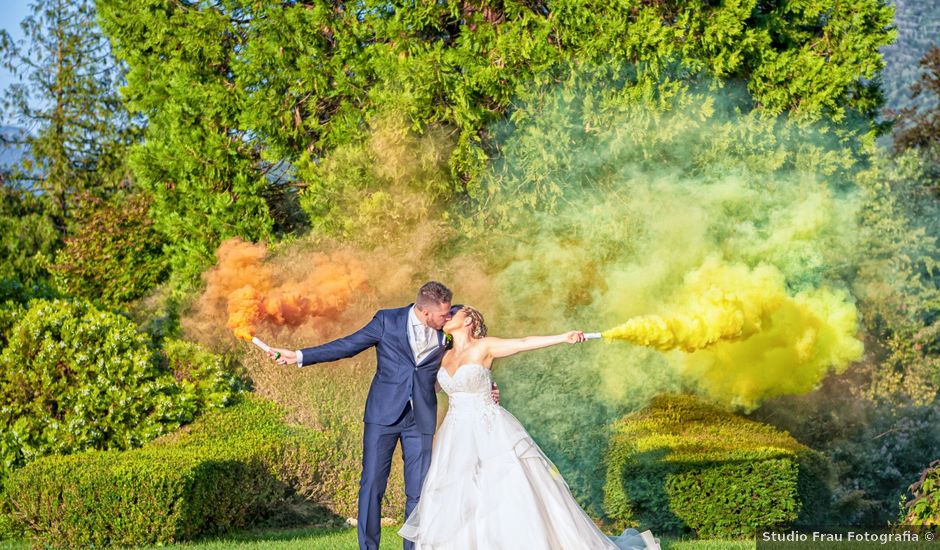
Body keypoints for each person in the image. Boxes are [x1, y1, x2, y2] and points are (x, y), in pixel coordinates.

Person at [398, 305, 660, 550]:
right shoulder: (443, 356)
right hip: (455, 435)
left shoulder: (484, 347)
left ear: (468, 320)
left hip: (489, 430)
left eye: (455, 311)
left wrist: (562, 337)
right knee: (455, 492)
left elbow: (523, 343)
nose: (448, 314)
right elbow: (428, 388)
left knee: (503, 488)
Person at [267, 282, 496, 550]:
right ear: (424, 312)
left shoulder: (445, 333)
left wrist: (487, 386)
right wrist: (299, 355)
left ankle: (414, 547)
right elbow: (347, 345)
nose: (448, 318)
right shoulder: (387, 320)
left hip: (421, 419)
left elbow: (466, 360)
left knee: (419, 491)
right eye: (443, 314)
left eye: (449, 314)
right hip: (382, 416)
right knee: (372, 485)